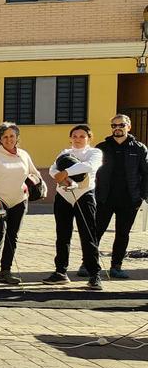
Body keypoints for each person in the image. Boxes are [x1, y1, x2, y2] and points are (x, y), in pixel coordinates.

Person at [0, 122, 42, 285]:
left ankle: (5, 271)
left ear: (17, 138)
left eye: (12, 136)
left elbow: (35, 174)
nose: (9, 139)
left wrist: (32, 181)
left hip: (20, 201)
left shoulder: (23, 154)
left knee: (12, 237)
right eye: (5, 137)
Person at [46, 124, 103, 289]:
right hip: (64, 195)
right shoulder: (65, 153)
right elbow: (53, 169)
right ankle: (60, 272)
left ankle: (94, 274)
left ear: (89, 138)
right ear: (70, 138)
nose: (78, 139)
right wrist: (63, 176)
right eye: (75, 136)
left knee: (88, 235)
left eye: (82, 136)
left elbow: (89, 167)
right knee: (62, 235)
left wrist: (65, 172)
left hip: (84, 196)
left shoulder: (95, 152)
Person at [94, 113, 148, 280]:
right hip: (105, 198)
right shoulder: (102, 147)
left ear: (128, 127)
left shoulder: (138, 149)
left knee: (122, 234)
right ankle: (88, 264)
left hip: (129, 200)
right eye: (114, 126)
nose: (117, 128)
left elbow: (146, 174)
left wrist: (142, 197)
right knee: (96, 232)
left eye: (121, 125)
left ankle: (116, 266)